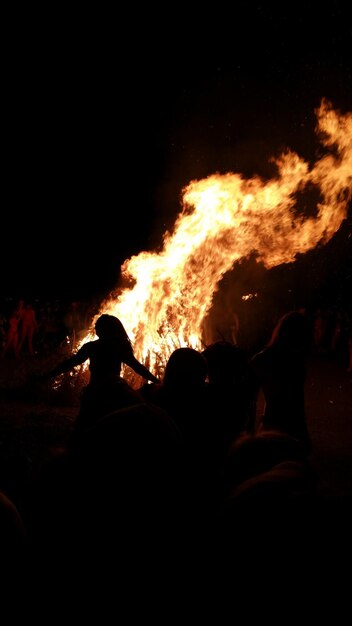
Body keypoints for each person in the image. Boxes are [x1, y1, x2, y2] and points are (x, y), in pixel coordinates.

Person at [44, 314, 159, 438]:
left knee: (87, 429)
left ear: (106, 329)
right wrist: (155, 380)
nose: (96, 328)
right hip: (113, 390)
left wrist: (49, 375)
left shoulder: (94, 347)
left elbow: (71, 363)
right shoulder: (114, 347)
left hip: (100, 391)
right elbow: (137, 367)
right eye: (96, 326)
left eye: (98, 326)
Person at [249, 310, 312, 454]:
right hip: (287, 427)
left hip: (276, 425)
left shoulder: (264, 359)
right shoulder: (296, 361)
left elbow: (251, 400)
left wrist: (250, 432)